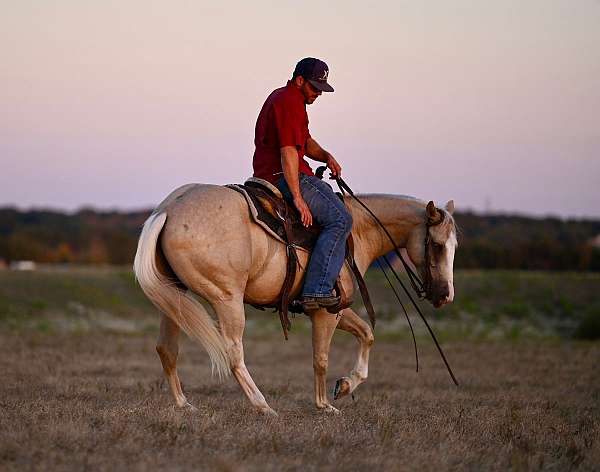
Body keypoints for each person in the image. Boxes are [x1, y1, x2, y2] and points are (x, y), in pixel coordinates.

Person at [252, 57, 353, 313]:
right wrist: (297, 197)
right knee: (341, 219)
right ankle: (316, 289)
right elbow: (288, 151)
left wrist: (326, 156)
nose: (318, 93)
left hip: (283, 172)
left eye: (322, 89)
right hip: (285, 175)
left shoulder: (291, 100)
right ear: (299, 80)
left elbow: (304, 142)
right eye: (315, 87)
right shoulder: (288, 101)